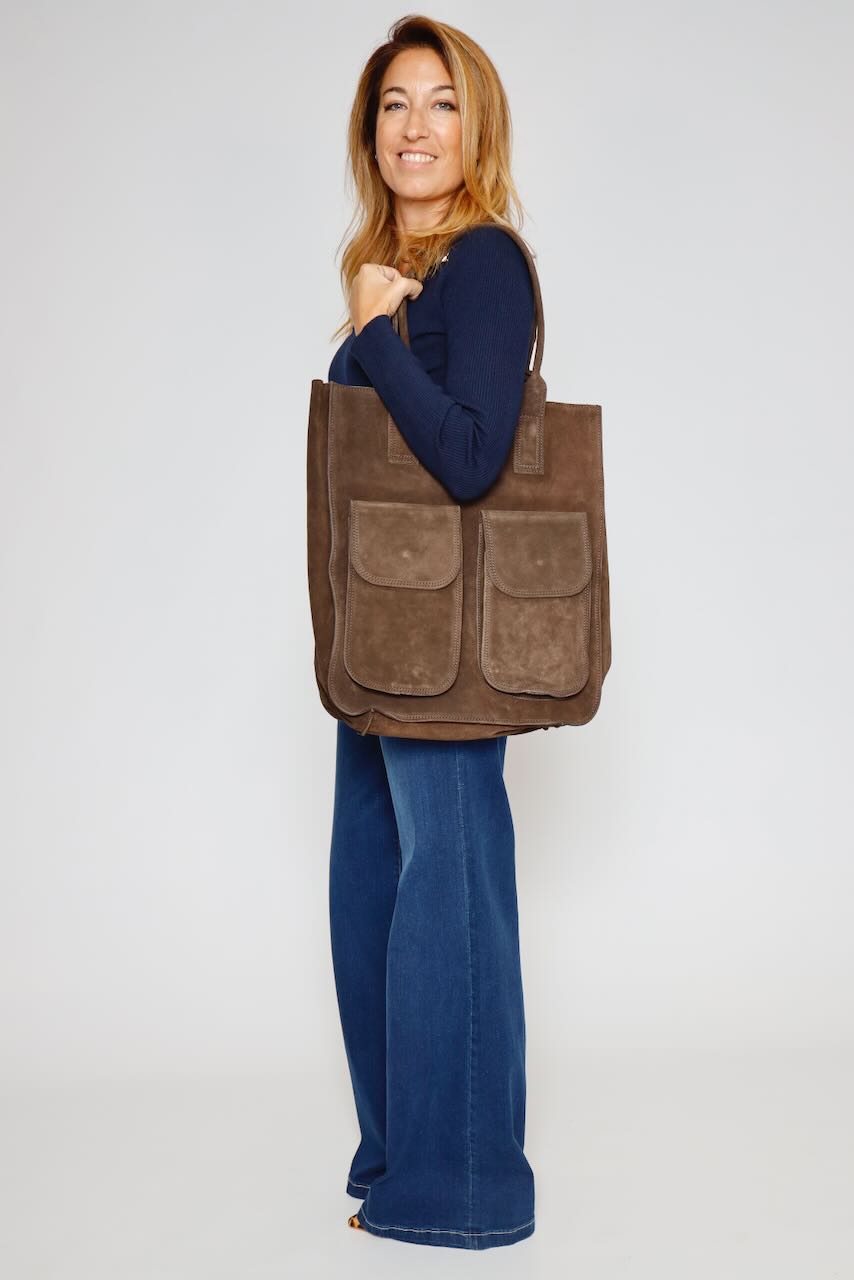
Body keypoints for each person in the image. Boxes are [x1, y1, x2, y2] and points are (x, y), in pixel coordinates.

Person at [326, 16, 537, 1251]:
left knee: (446, 889)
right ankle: (400, 1158)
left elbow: (468, 457)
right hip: (376, 636)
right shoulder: (391, 270)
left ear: (476, 128)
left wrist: (369, 336)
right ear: (370, 133)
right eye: (395, 104)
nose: (415, 126)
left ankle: (466, 1189)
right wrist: (372, 312)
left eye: (441, 103)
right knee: (371, 890)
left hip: (445, 640)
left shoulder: (484, 262)